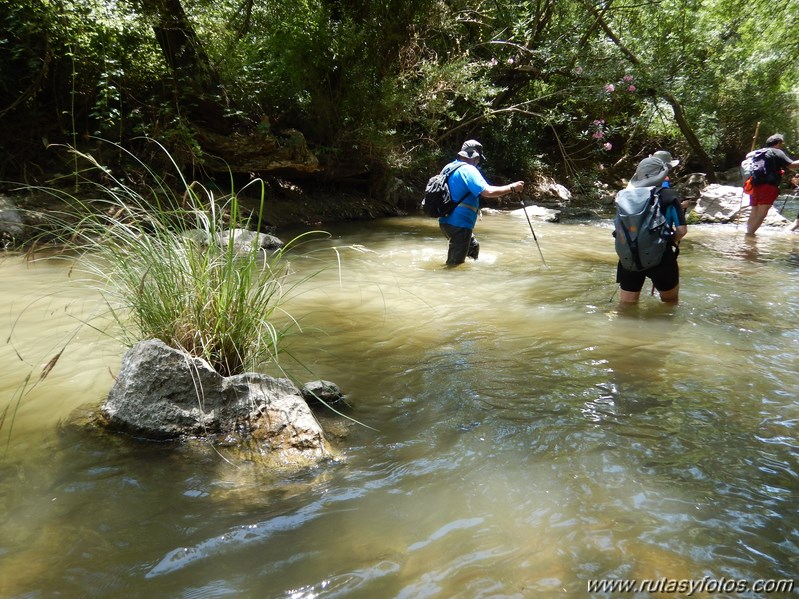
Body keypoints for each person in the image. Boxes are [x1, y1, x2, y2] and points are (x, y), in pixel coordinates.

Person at [438, 140, 524, 266]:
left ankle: (471, 277)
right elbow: (487, 192)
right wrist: (512, 188)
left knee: (473, 247)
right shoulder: (468, 170)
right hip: (460, 224)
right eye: (478, 159)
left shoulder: (448, 168)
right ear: (474, 156)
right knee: (455, 265)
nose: (478, 163)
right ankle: (449, 280)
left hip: (445, 221)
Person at [617, 152, 687, 304]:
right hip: (661, 258)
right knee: (670, 304)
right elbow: (682, 231)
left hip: (629, 257)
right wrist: (669, 241)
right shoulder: (669, 195)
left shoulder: (624, 196)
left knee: (626, 307)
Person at [745, 133, 799, 236]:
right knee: (762, 213)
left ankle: (748, 233)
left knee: (754, 211)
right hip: (768, 186)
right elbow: (792, 166)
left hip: (754, 184)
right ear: (778, 142)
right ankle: (749, 236)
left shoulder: (759, 152)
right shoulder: (777, 152)